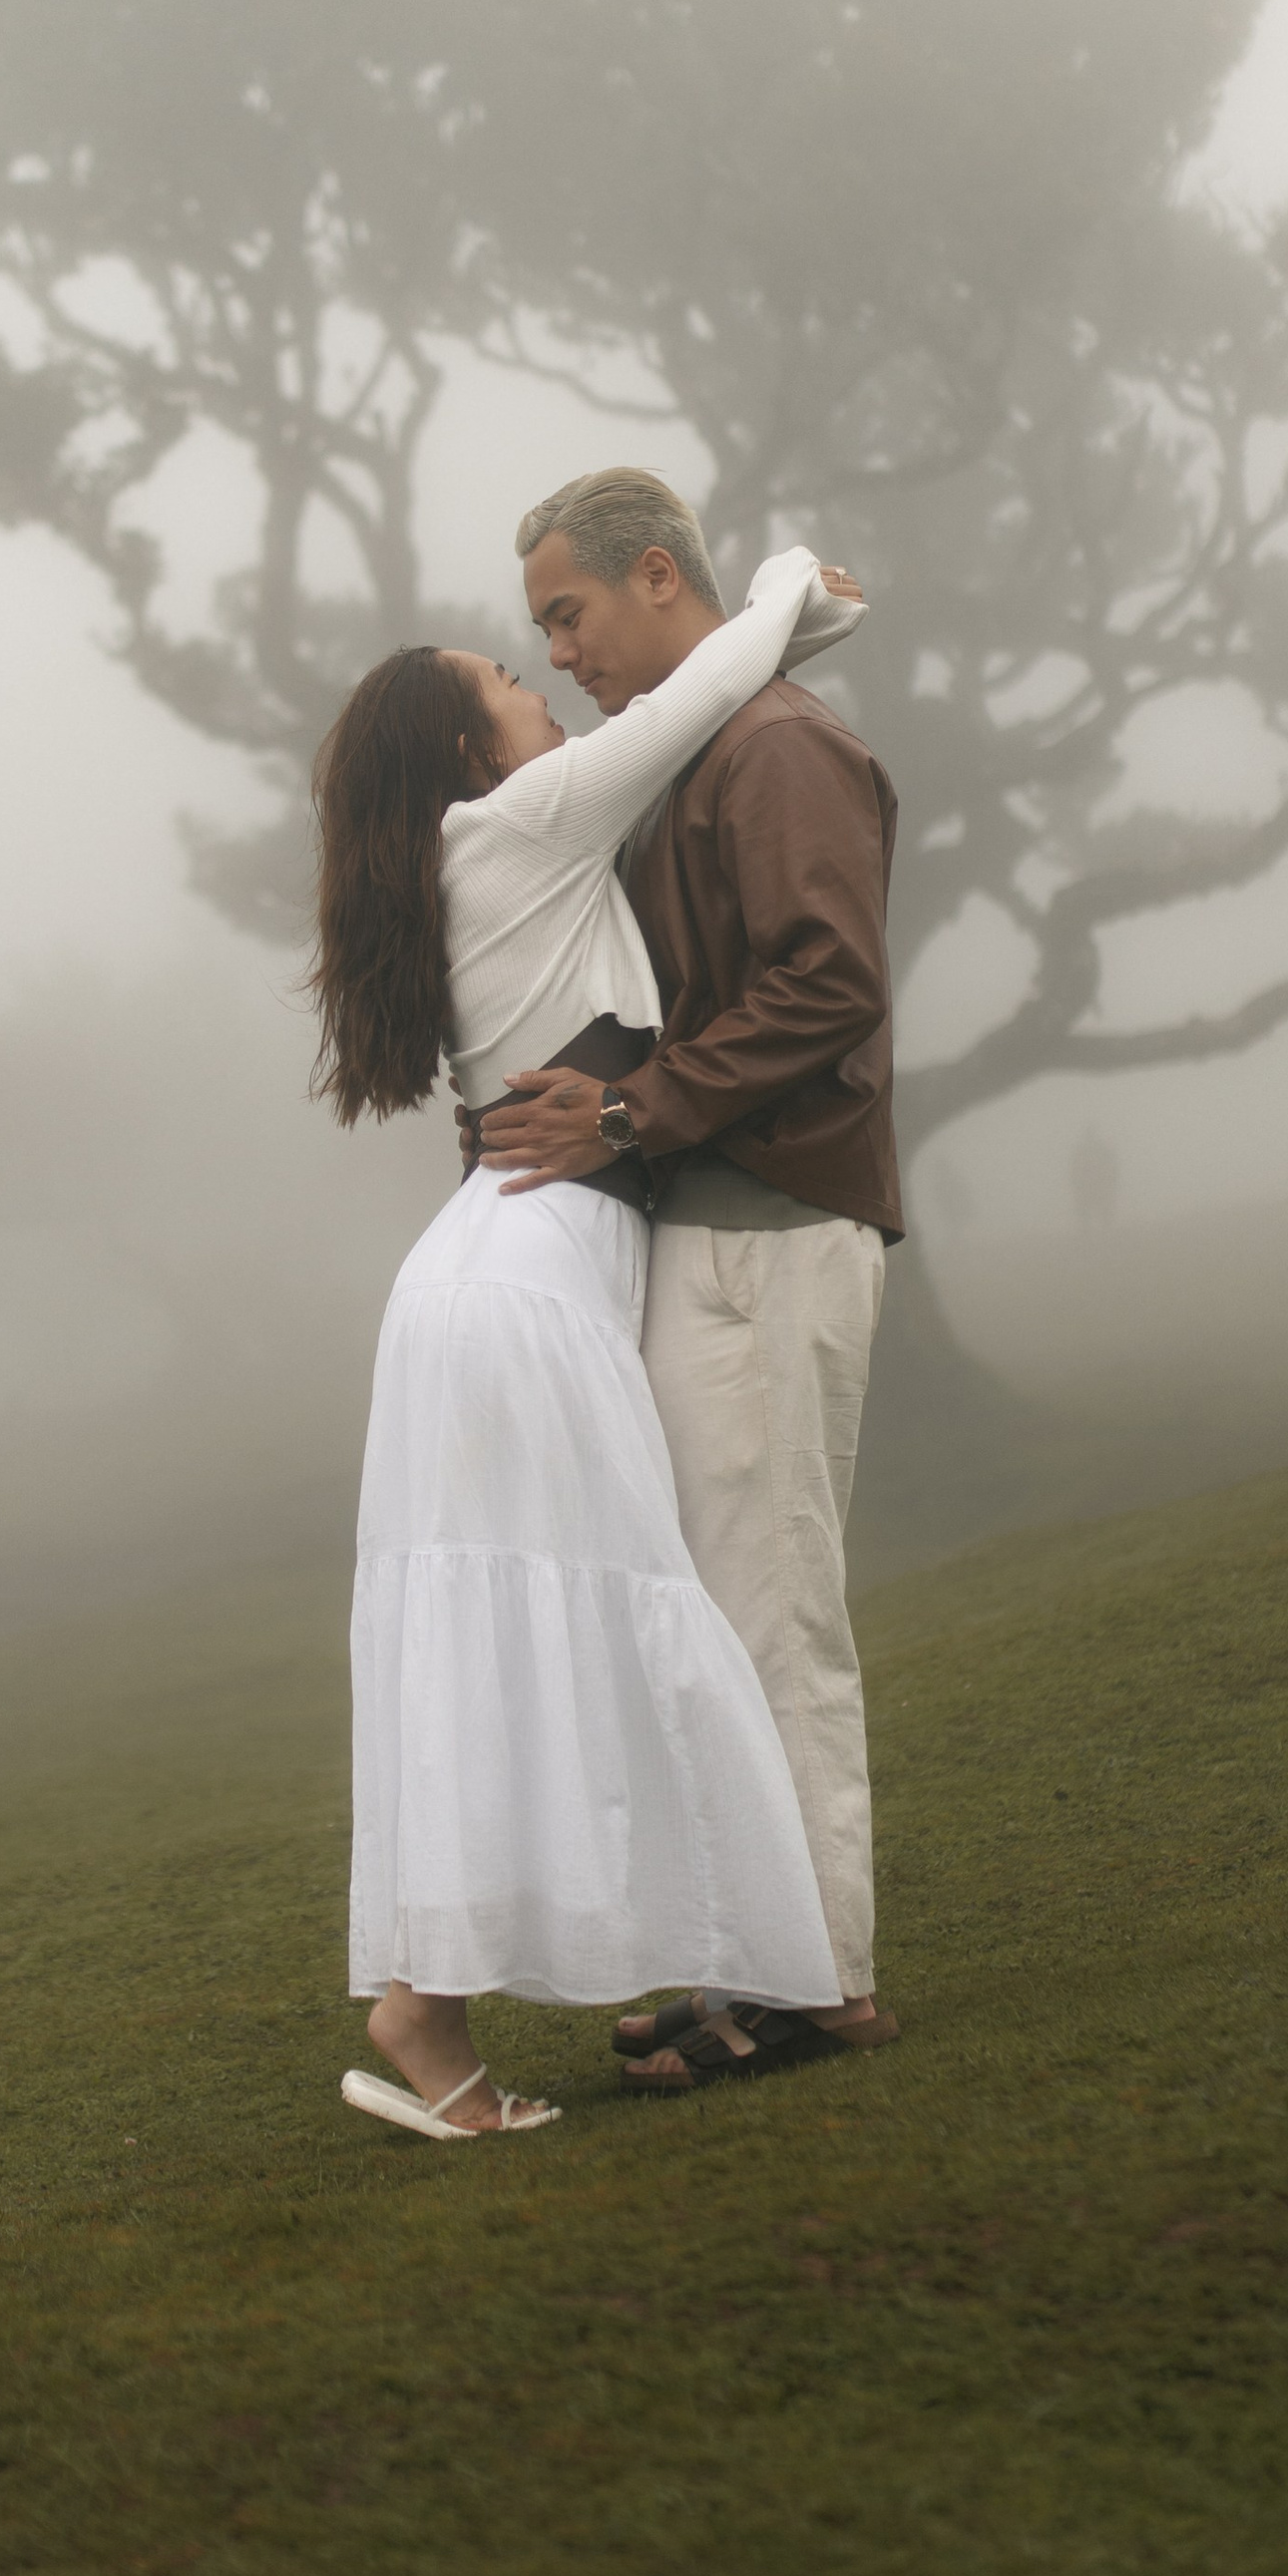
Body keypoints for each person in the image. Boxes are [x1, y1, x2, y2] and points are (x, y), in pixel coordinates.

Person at [311, 548, 866, 2139]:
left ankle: (433, 2017)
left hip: (487, 1277)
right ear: (466, 756)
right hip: (526, 1285)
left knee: (508, 1644)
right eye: (507, 681)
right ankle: (769, 1974)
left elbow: (708, 694)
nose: (540, 684)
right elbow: (699, 688)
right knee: (618, 1618)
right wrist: (781, 576)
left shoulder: (467, 854)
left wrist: (806, 616)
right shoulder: (519, 824)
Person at [478, 471, 903, 2091]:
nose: (562, 652)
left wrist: (628, 1113)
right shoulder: (700, 748)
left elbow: (830, 981)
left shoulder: (780, 751)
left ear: (657, 579)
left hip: (774, 1233)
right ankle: (750, 1968)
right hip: (716, 1232)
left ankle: (821, 1986)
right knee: (719, 1624)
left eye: (567, 615)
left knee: (772, 1620)